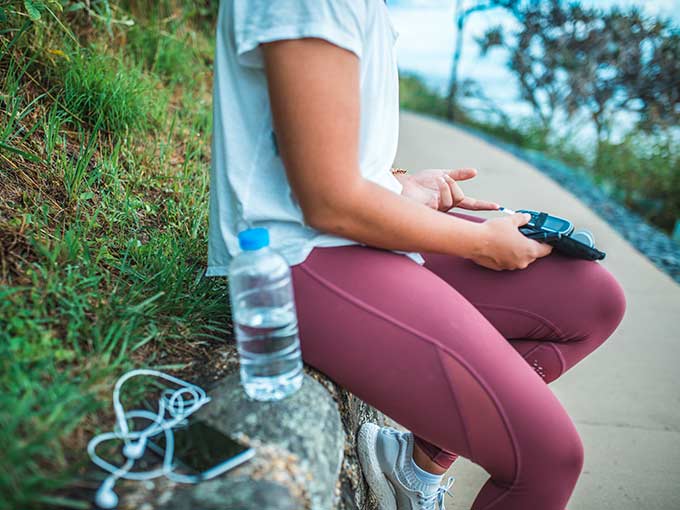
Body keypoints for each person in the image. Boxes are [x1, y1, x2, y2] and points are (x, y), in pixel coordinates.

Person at [205, 1, 627, 509]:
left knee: (592, 299)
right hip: (298, 258)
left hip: (350, 233)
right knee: (548, 459)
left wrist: (398, 185)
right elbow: (327, 201)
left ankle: (417, 464)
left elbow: (322, 152)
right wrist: (481, 243)